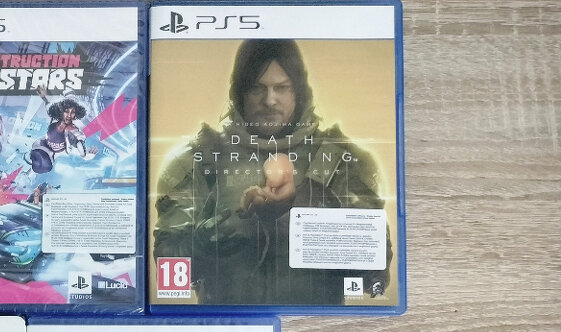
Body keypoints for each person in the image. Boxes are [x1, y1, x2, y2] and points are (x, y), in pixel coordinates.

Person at [153, 39, 390, 305]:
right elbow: (168, 274)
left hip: (313, 324)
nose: (269, 100)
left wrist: (324, 223)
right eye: (257, 88)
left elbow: (374, 279)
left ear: (298, 92)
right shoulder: (198, 160)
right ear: (240, 93)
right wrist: (200, 245)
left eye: (282, 87)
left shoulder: (343, 161)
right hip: (228, 323)